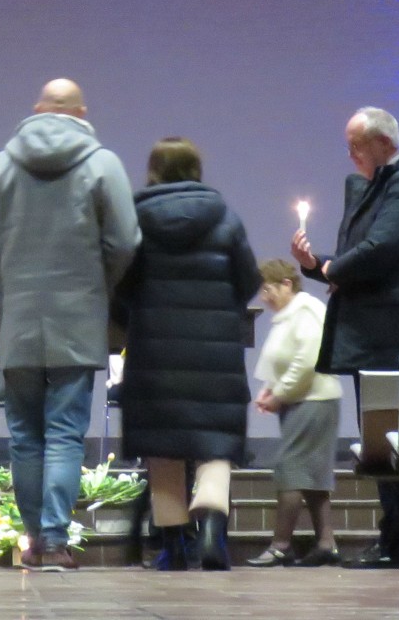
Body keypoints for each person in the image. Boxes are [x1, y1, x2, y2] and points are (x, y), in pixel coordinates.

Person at [0, 78, 140, 571]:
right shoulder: (103, 163)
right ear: (81, 113)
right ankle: (55, 542)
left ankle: (33, 539)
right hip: (78, 321)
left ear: (37, 110)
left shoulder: (1, 166)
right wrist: (97, 285)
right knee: (65, 434)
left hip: (17, 322)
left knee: (24, 437)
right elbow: (125, 240)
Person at [292, 106, 399, 569]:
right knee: (380, 441)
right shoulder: (378, 188)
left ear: (384, 143)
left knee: (393, 441)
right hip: (377, 335)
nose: (351, 153)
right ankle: (395, 539)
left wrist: (332, 267)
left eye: (357, 144)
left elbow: (379, 251)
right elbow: (359, 258)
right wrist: (316, 264)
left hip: (396, 336)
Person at [114, 138, 260, 571]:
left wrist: (137, 318)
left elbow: (120, 284)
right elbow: (249, 281)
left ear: (153, 171)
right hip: (215, 353)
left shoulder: (135, 220)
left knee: (163, 450)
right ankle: (213, 532)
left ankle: (174, 546)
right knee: (216, 445)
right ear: (197, 170)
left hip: (155, 353)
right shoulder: (225, 218)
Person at [246, 258, 342, 568]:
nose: (264, 297)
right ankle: (326, 544)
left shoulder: (306, 312)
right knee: (312, 478)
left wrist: (280, 393)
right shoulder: (290, 315)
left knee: (290, 469)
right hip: (306, 400)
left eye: (268, 289)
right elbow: (282, 359)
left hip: (312, 401)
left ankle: (281, 546)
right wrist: (271, 389)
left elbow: (306, 360)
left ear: (287, 285)